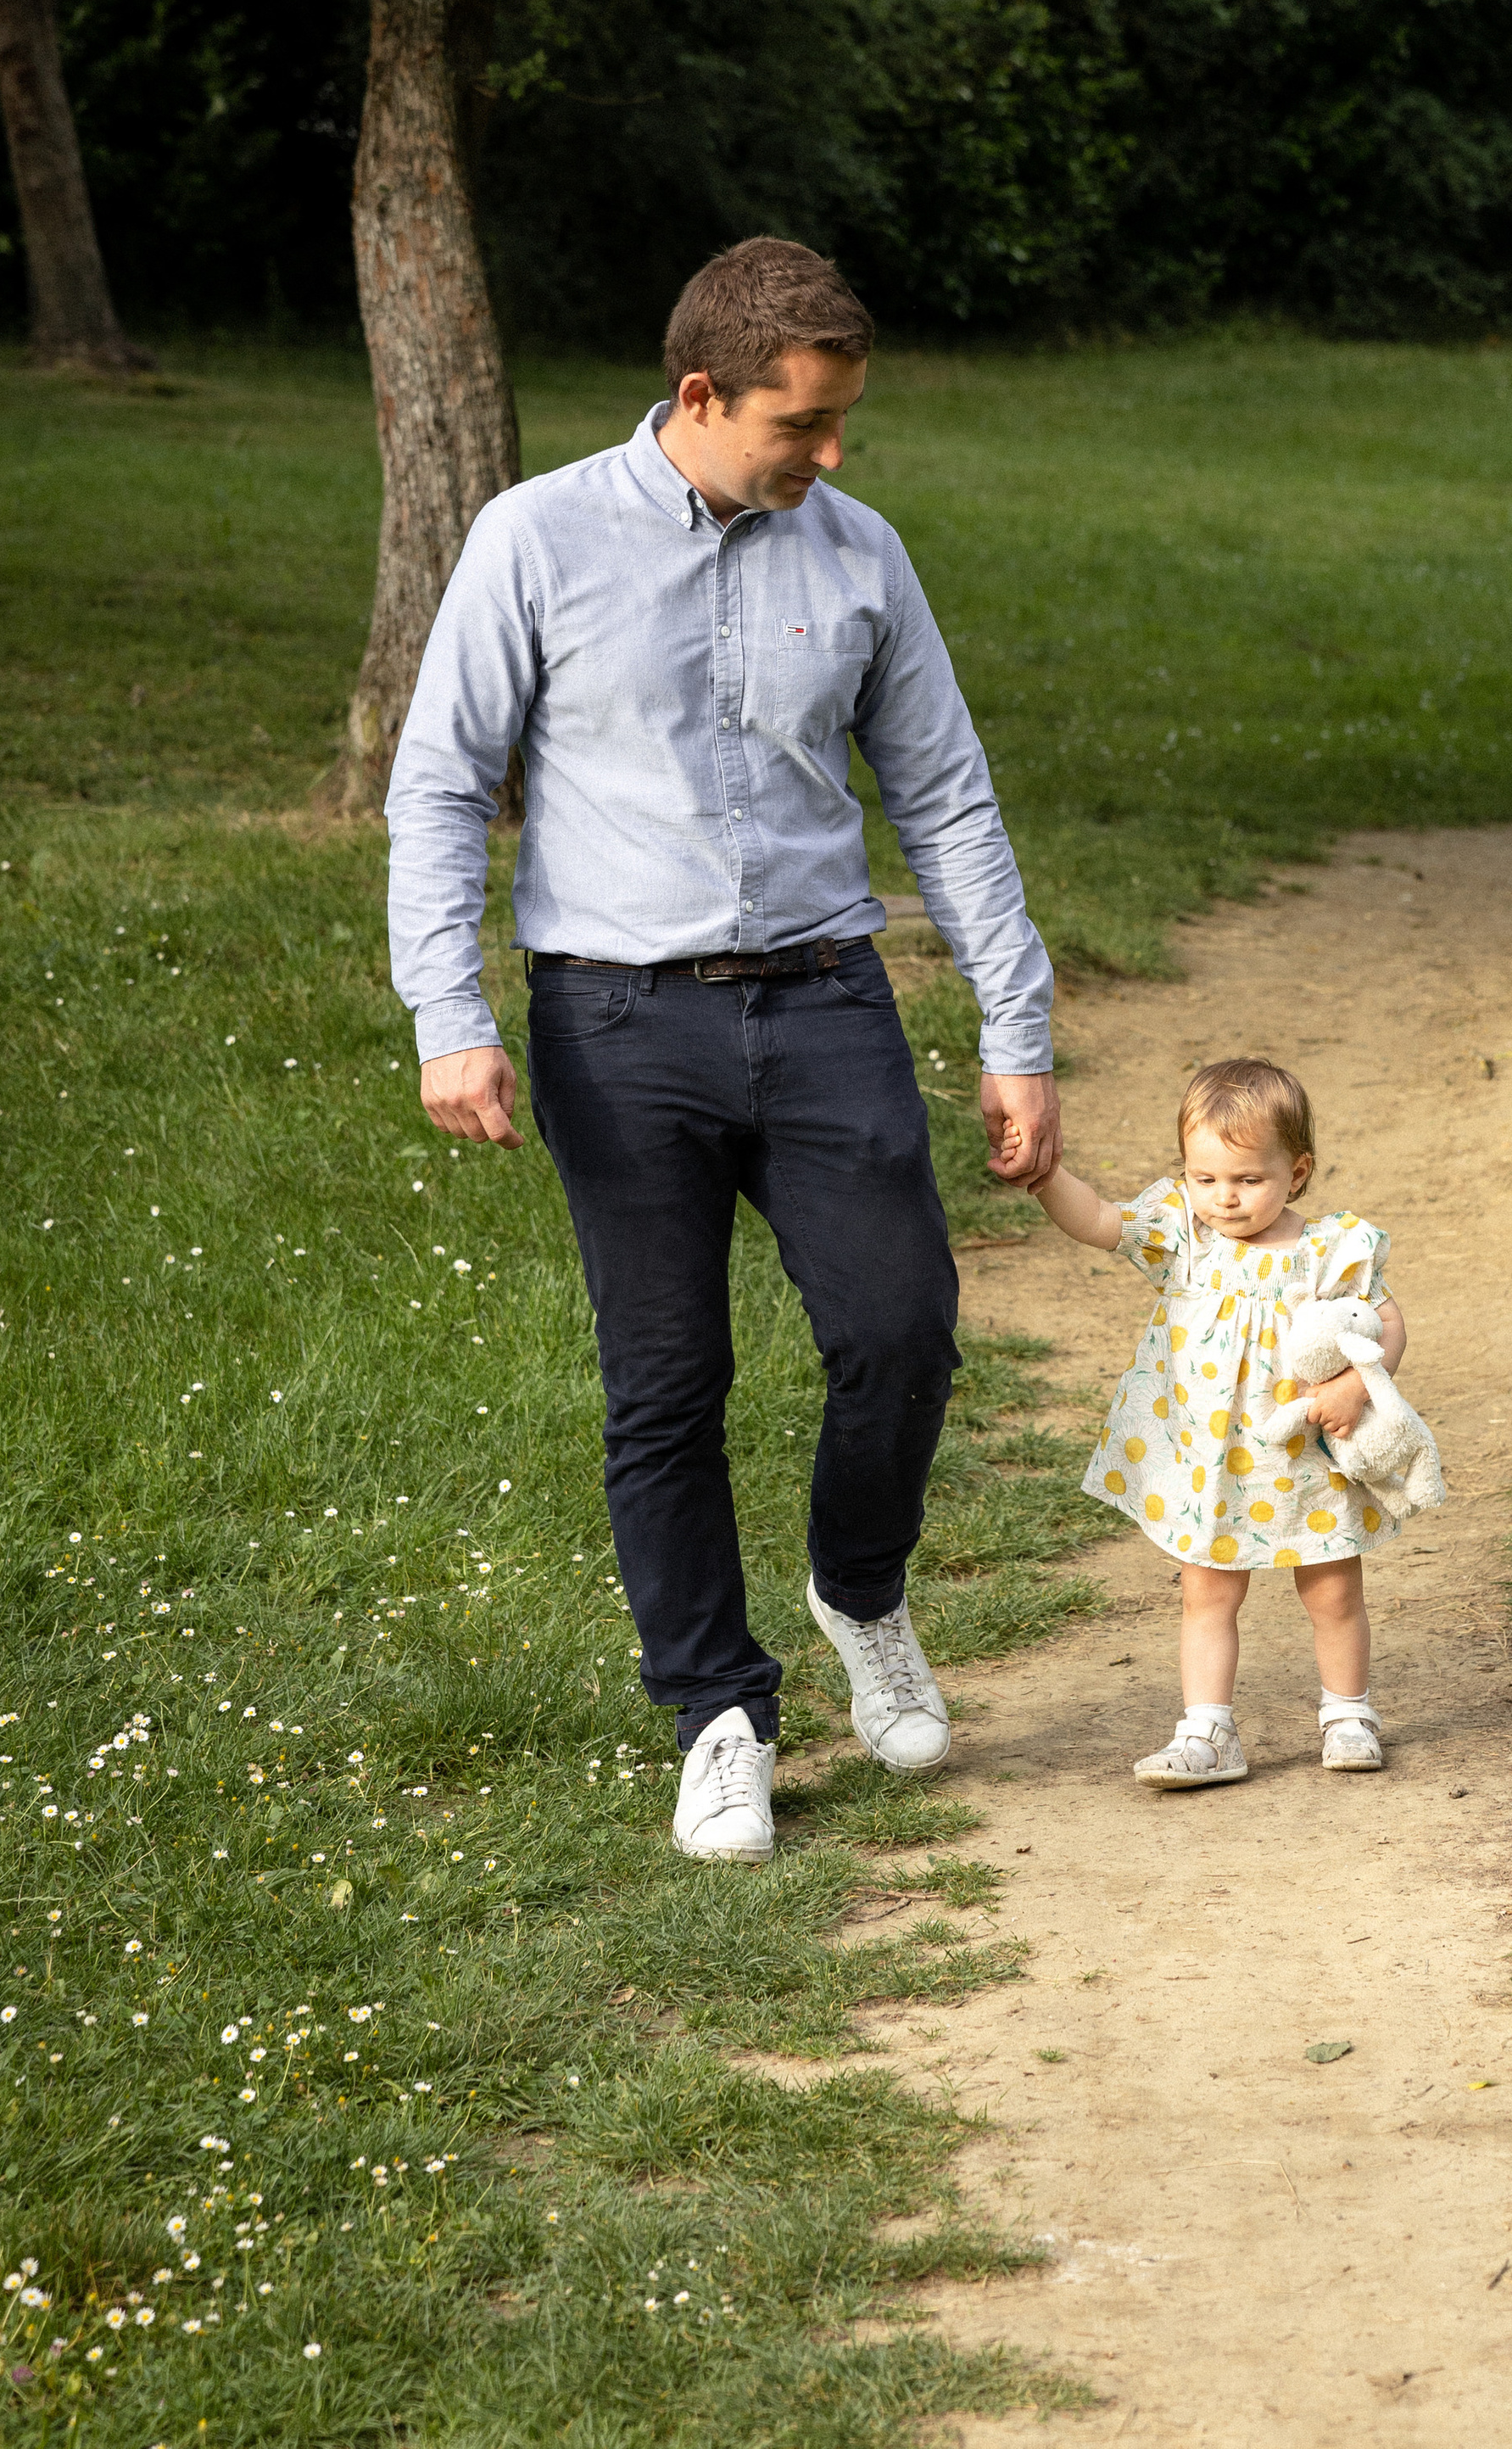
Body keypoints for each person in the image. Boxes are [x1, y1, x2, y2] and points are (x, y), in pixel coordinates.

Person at [385, 237, 1061, 1863]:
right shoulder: (534, 537)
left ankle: (862, 1592)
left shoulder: (861, 553)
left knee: (903, 1332)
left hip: (828, 1003)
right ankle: (718, 1717)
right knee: (668, 1384)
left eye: (841, 421)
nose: (832, 453)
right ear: (702, 395)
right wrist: (449, 1015)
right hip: (617, 1023)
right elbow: (443, 782)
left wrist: (1017, 1026)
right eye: (802, 424)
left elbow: (946, 797)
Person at [1029, 1056, 1403, 1786]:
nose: (1224, 1198)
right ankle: (1207, 1732)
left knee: (1332, 1590)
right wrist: (1046, 1178)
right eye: (1204, 1178)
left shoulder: (1329, 1251)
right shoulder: (1183, 1235)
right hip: (1208, 1461)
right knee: (1207, 1594)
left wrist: (1358, 1384)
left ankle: (1348, 1714)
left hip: (1308, 1458)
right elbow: (1099, 1220)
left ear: (1297, 1172)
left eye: (1248, 1180)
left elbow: (1386, 1322)